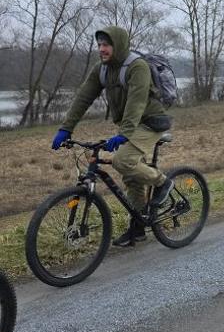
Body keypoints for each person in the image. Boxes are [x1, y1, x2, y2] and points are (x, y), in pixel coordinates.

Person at [51, 26, 174, 247]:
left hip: (150, 122)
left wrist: (124, 133)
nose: (101, 49)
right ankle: (138, 227)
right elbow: (83, 98)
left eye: (106, 44)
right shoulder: (101, 69)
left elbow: (136, 103)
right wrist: (66, 128)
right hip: (129, 124)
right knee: (131, 176)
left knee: (123, 161)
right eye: (99, 45)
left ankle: (163, 183)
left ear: (118, 45)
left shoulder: (137, 66)